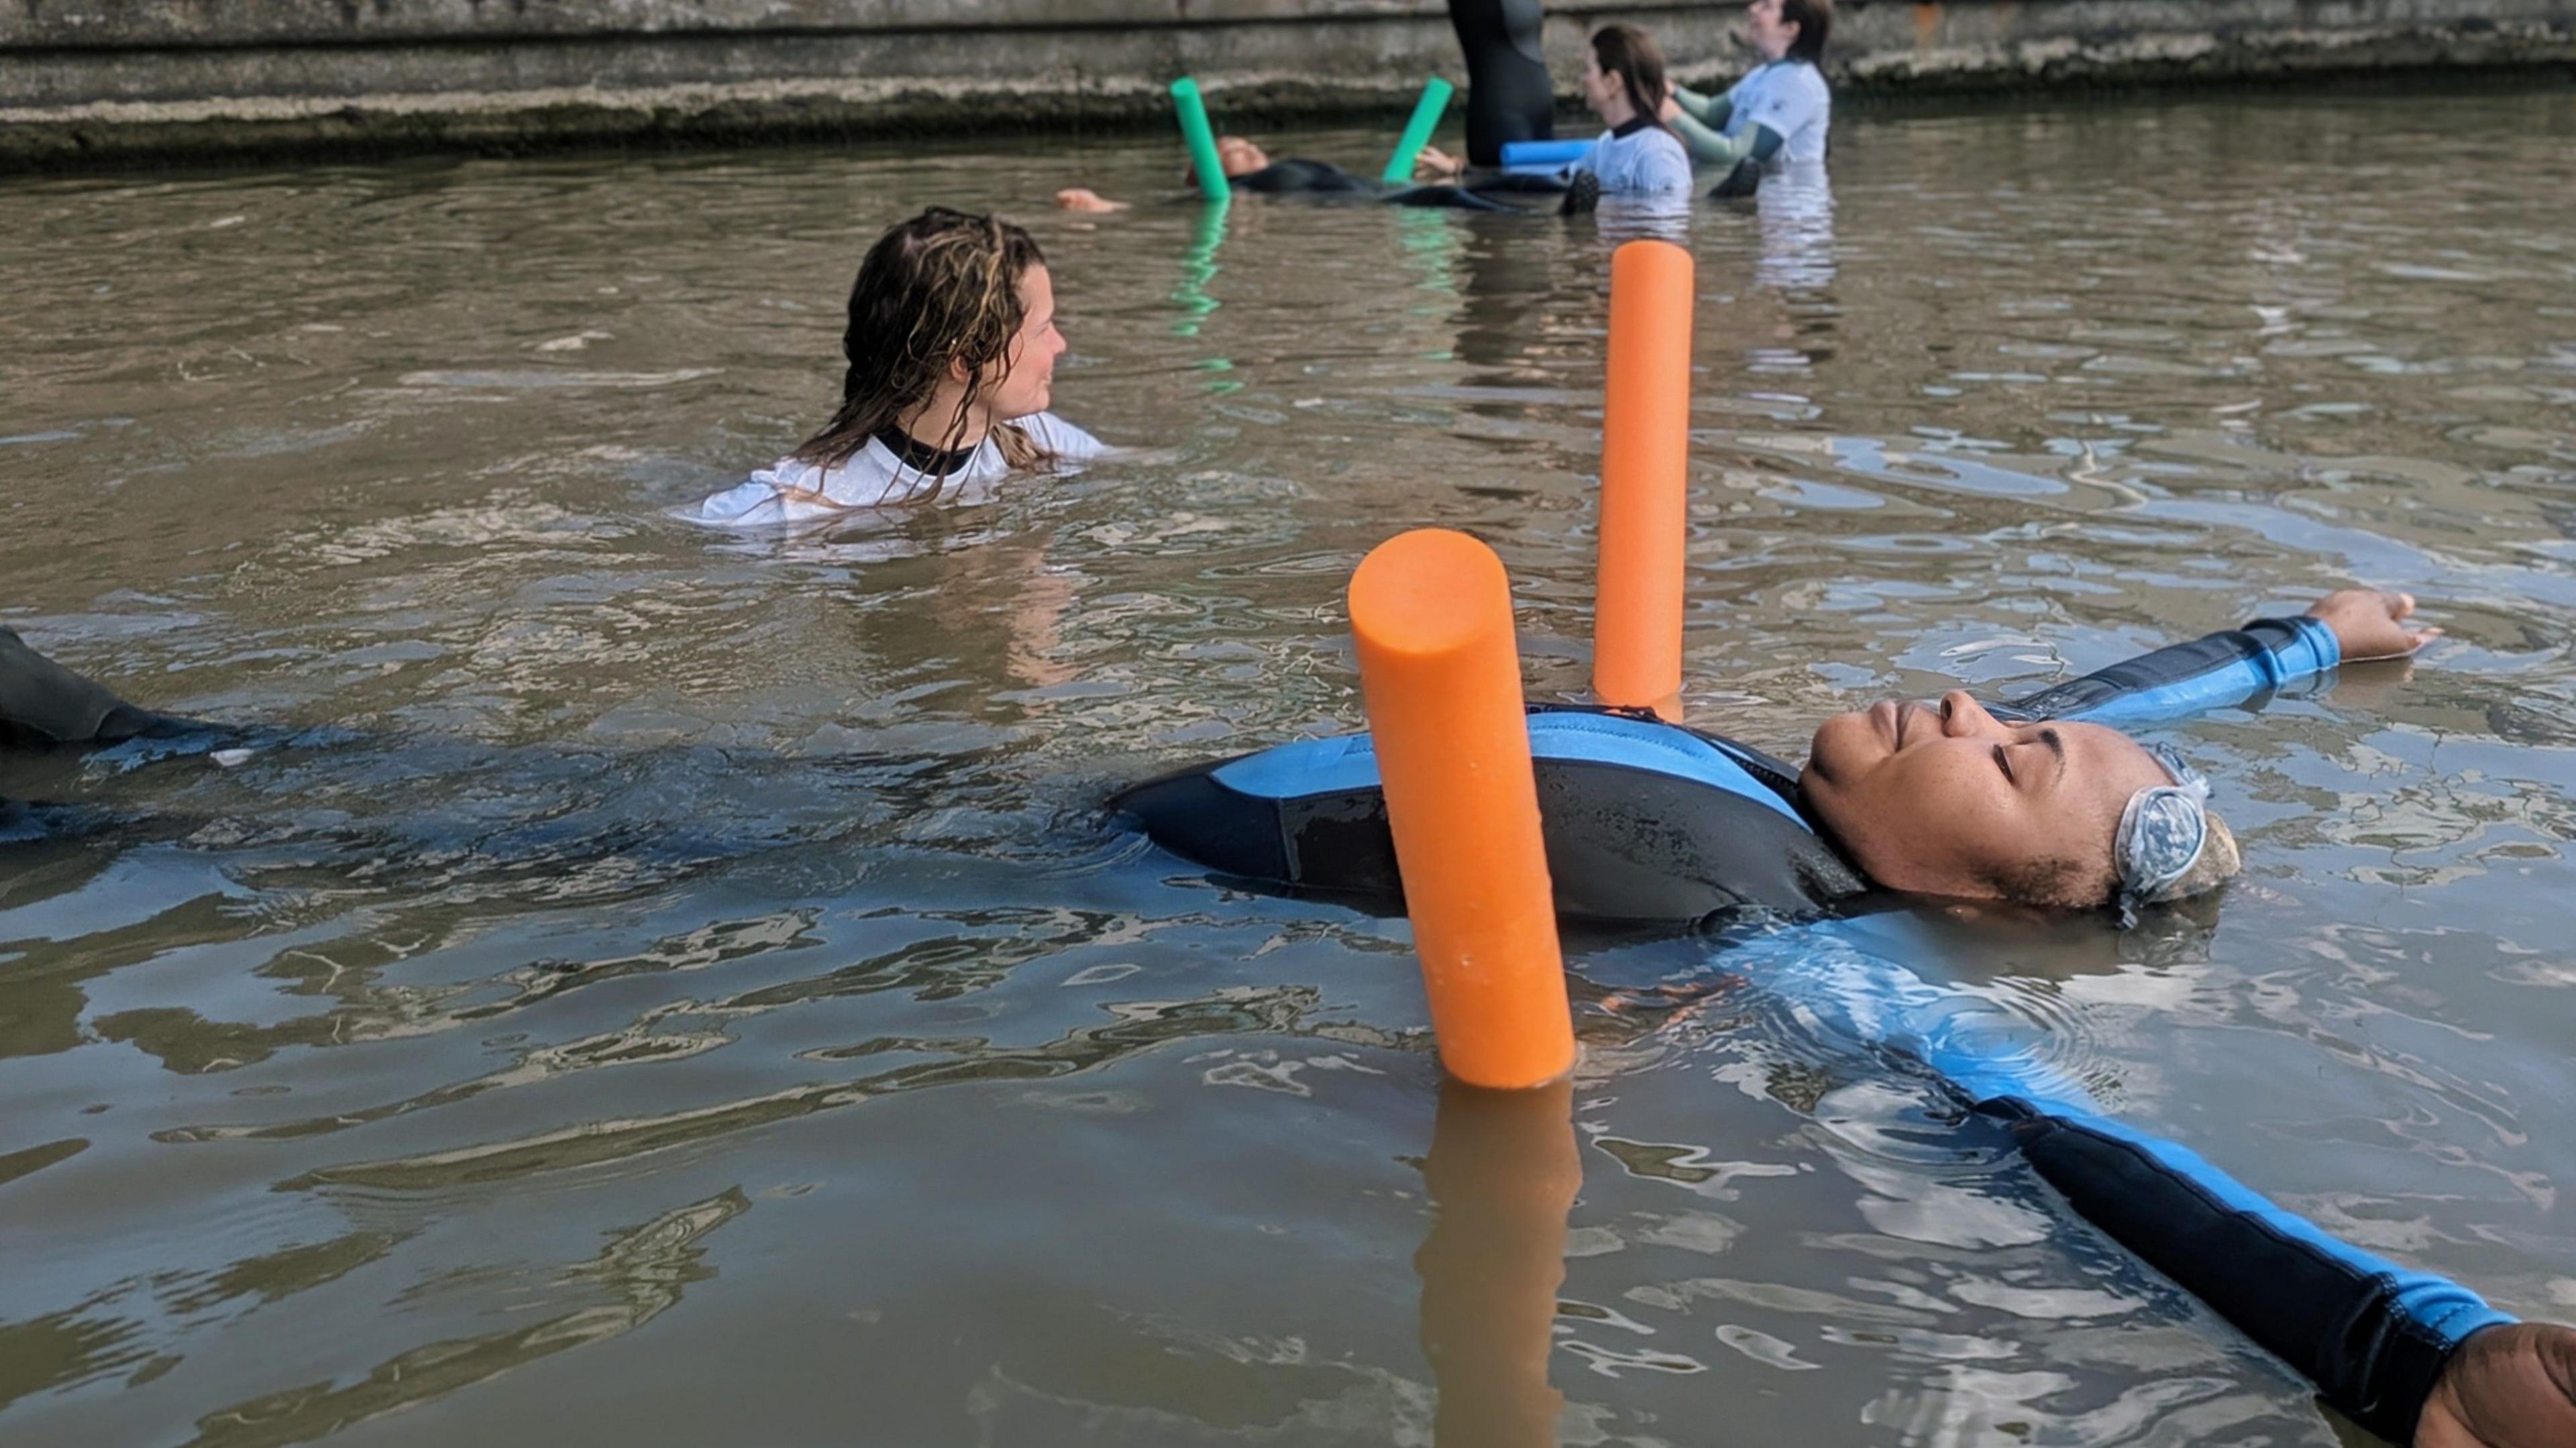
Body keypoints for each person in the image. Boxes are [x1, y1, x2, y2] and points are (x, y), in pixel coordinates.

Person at [1114, 589, 2440, 921]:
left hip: (1064, 872)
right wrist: (2306, 639)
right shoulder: (1817, 806)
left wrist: (2405, 1350)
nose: (1967, 702)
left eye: (2009, 760)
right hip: (1086, 824)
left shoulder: (1763, 920)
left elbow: (2063, 1154)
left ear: (1990, 907)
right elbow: (2087, 699)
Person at [681, 207, 1105, 528]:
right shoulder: (799, 505)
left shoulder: (1039, 440)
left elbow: (1141, 468)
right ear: (964, 360)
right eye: (1044, 328)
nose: (1060, 344)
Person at [1054, 137, 1549, 215]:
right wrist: (1105, 206)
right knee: (1459, 198)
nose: (1245, 148)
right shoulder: (1236, 193)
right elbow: (1175, 209)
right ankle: (1538, 217)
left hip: (1387, 188)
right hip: (1385, 204)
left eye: (1247, 142)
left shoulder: (1289, 166)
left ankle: (1565, 193)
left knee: (1478, 182)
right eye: (1229, 151)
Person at [1665, 0, 1834, 197]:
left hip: (1789, 214)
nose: (1753, 9)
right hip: (1756, 207)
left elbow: (1739, 155)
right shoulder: (1764, 74)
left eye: (1766, 6)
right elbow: (1711, 114)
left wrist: (1674, 119)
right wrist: (1669, 91)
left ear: (1790, 29)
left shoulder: (1798, 85)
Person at [1562, 24, 1695, 205]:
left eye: (1588, 70)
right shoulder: (1607, 143)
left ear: (1612, 82)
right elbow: (1562, 179)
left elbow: (1669, 226)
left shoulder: (1657, 154)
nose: (1583, 79)